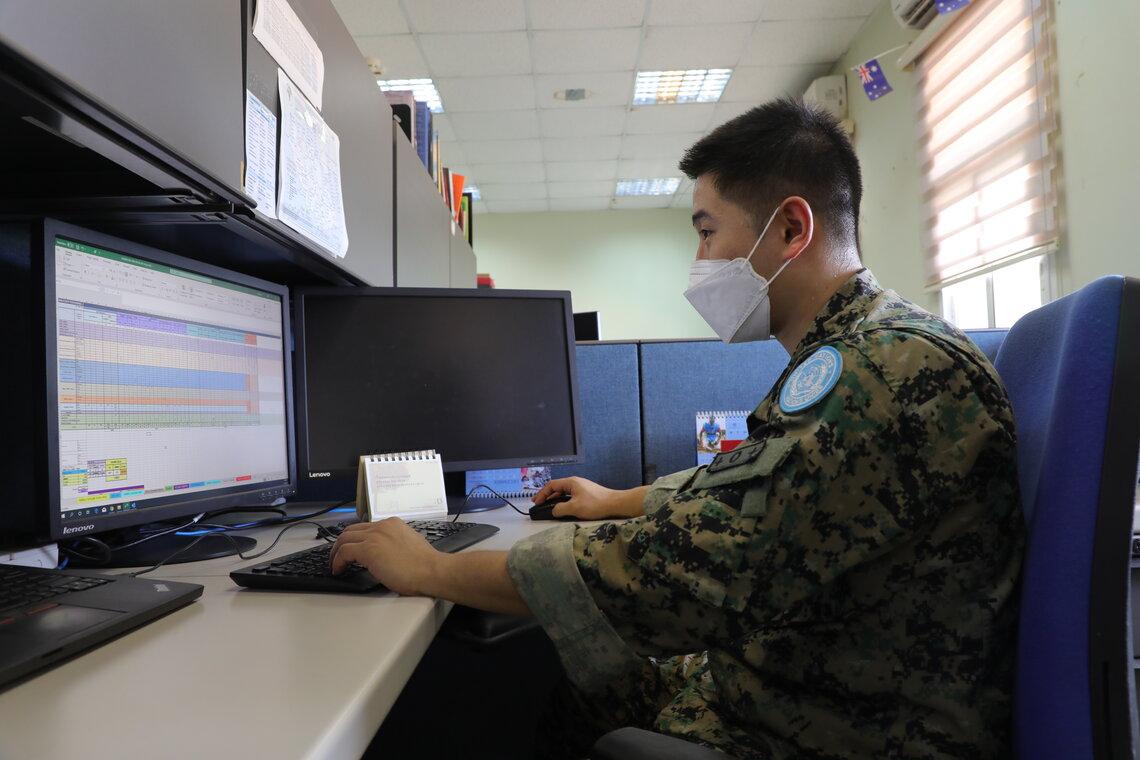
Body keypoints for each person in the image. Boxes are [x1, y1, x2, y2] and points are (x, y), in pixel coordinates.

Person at [332, 98, 1025, 759]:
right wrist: (618, 500)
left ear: (791, 229)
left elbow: (679, 574)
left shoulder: (880, 371)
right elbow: (762, 489)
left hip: (834, 730)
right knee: (559, 685)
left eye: (706, 231)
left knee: (514, 688)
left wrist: (433, 568)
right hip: (807, 680)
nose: (701, 261)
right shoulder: (869, 351)